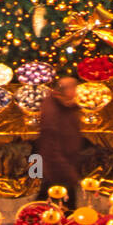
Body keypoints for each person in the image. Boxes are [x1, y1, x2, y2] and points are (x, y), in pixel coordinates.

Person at [36, 76, 83, 209]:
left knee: (48, 193)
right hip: (58, 168)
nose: (76, 93)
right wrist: (70, 173)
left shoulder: (61, 102)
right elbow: (50, 149)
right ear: (65, 91)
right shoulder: (52, 113)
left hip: (67, 160)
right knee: (57, 196)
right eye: (74, 89)